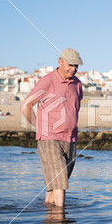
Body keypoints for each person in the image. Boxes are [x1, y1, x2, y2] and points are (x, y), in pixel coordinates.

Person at [20, 48, 83, 207]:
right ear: (59, 62)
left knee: (53, 187)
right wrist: (39, 127)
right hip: (50, 139)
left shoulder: (77, 84)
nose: (73, 69)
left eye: (76, 65)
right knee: (60, 184)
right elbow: (26, 106)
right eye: (70, 64)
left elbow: (74, 107)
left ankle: (51, 220)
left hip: (70, 139)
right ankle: (61, 221)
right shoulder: (47, 81)